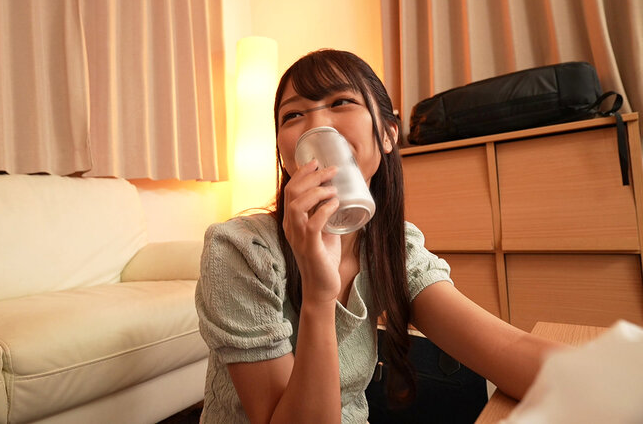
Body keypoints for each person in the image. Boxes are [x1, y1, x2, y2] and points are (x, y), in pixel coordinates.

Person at [195, 49, 562, 424]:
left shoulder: (393, 244)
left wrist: (592, 375)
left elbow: (504, 347)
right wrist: (319, 296)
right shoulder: (240, 250)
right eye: (293, 115)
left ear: (388, 134)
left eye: (341, 102)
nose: (316, 124)